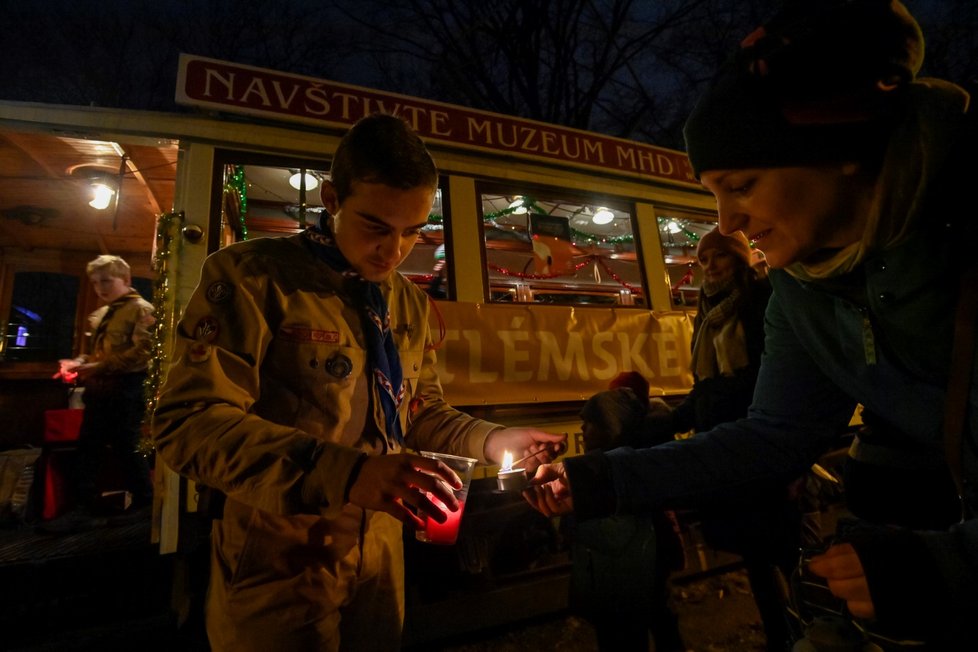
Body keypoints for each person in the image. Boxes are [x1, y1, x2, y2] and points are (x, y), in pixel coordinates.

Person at [524, 0, 977, 648]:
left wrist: (944, 570)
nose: (728, 220)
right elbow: (771, 436)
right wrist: (600, 478)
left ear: (839, 150)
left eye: (742, 184)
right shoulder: (803, 288)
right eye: (714, 193)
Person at [151, 113, 565, 652]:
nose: (394, 251)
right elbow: (188, 423)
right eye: (376, 226)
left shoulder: (407, 301)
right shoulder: (253, 277)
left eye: (413, 231)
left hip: (382, 552)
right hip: (279, 554)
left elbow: (418, 412)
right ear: (330, 198)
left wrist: (492, 440)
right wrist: (346, 474)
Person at [643, 228, 799, 651]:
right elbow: (705, 388)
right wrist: (668, 422)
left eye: (720, 257)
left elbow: (772, 375)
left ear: (741, 260)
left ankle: (815, 629)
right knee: (756, 555)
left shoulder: (761, 301)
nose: (710, 266)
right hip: (726, 448)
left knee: (787, 550)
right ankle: (782, 636)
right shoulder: (708, 313)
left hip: (760, 446)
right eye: (704, 259)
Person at [41, 254, 156, 534]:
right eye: (94, 283)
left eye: (106, 281)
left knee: (126, 446)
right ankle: (85, 507)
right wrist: (79, 363)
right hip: (101, 389)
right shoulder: (103, 314)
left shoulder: (141, 310)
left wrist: (98, 366)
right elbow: (100, 353)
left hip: (127, 387)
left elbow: (142, 353)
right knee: (88, 447)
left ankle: (145, 504)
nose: (100, 288)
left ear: (126, 279)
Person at [572, 371, 685, 652]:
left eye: (592, 422)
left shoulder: (618, 469)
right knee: (658, 613)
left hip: (630, 571)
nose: (584, 430)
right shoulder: (611, 464)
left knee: (639, 621)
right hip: (636, 566)